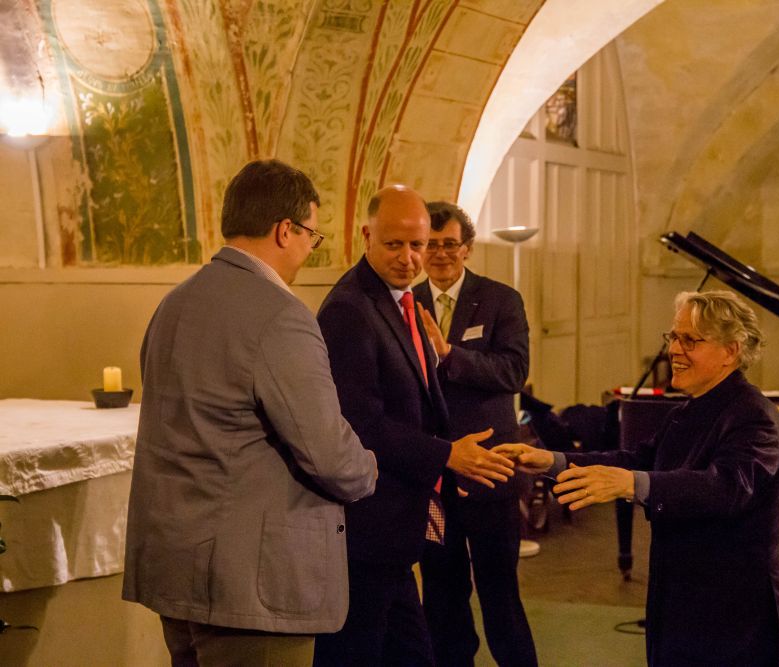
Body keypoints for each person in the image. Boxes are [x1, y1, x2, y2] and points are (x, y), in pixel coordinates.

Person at [122, 159, 379, 666]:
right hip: (252, 585)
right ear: (286, 230)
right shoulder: (281, 317)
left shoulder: (173, 304)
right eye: (312, 235)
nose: (309, 249)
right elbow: (329, 454)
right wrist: (369, 468)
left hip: (176, 566)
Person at [496, 290, 779, 666]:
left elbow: (728, 488)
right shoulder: (688, 410)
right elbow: (637, 460)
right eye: (673, 337)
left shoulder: (755, 416)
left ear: (730, 351)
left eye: (690, 340)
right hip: (682, 596)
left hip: (732, 609)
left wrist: (632, 484)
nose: (674, 350)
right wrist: (551, 461)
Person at [313, 185, 517, 666]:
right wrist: (447, 455)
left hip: (398, 522)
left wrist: (446, 466)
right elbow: (360, 423)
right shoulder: (349, 308)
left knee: (414, 651)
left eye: (418, 245)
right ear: (367, 236)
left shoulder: (400, 299)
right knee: (358, 654)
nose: (409, 258)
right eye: (394, 244)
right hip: (370, 523)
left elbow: (420, 401)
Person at [414, 202, 537, 667]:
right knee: (441, 597)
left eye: (450, 244)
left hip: (490, 469)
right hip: (436, 474)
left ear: (467, 248)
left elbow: (514, 371)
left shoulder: (500, 299)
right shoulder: (407, 301)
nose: (440, 253)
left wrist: (450, 355)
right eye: (431, 244)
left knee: (500, 595)